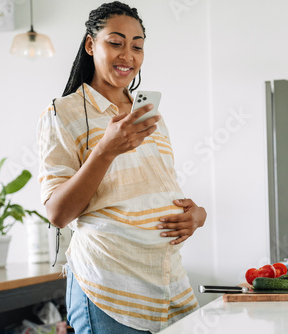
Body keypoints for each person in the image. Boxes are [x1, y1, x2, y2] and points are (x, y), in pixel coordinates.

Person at [37, 2, 207, 333]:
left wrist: (197, 216)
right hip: (110, 289)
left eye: (137, 45)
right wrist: (104, 151)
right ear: (90, 45)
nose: (127, 54)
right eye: (115, 42)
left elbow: (155, 190)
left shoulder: (149, 116)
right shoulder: (63, 113)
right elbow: (57, 213)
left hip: (169, 284)